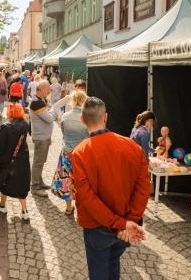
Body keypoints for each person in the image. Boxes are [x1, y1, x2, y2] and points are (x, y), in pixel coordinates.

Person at [71, 97, 150, 280]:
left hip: (99, 227)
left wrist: (122, 224)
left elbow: (87, 198)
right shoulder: (132, 146)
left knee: (99, 273)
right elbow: (144, 188)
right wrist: (128, 222)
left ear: (82, 120)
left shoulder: (80, 153)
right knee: (113, 262)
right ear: (105, 117)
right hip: (125, 223)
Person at [51, 90, 88, 216]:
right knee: (82, 180)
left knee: (66, 179)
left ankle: (68, 207)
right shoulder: (86, 117)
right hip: (82, 153)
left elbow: (64, 134)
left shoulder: (65, 116)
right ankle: (81, 207)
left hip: (67, 152)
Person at [0, 102, 31, 220]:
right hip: (22, 159)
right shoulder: (25, 125)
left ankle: (2, 205)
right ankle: (24, 210)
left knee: (4, 180)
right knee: (21, 183)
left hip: (7, 159)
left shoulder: (6, 127)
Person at [29, 79, 55, 197]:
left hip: (44, 137)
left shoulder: (40, 100)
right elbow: (49, 118)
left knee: (41, 161)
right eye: (48, 89)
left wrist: (51, 109)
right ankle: (34, 186)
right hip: (41, 137)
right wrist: (54, 111)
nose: (50, 91)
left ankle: (39, 181)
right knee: (38, 162)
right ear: (43, 89)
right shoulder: (36, 102)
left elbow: (48, 111)